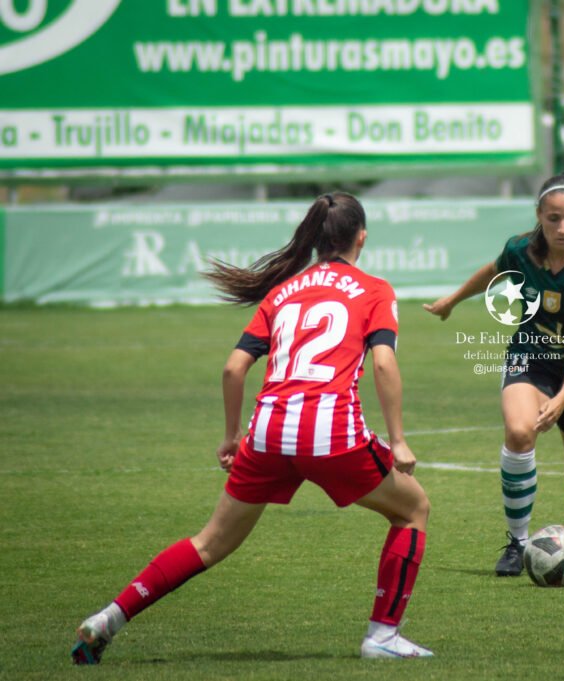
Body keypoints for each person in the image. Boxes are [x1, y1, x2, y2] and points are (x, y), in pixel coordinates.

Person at [71, 192, 433, 664]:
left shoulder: (281, 293)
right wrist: (398, 440)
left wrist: (230, 437)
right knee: (413, 509)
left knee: (210, 543)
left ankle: (109, 618)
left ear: (316, 240)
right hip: (329, 433)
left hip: (266, 433)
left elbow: (233, 368)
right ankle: (382, 636)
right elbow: (383, 362)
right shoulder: (375, 289)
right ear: (361, 238)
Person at [423, 171, 564, 576]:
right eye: (554, 218)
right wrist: (453, 300)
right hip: (531, 357)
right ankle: (517, 543)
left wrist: (563, 397)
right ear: (539, 215)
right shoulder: (520, 250)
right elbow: (494, 270)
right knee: (519, 432)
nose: (563, 228)